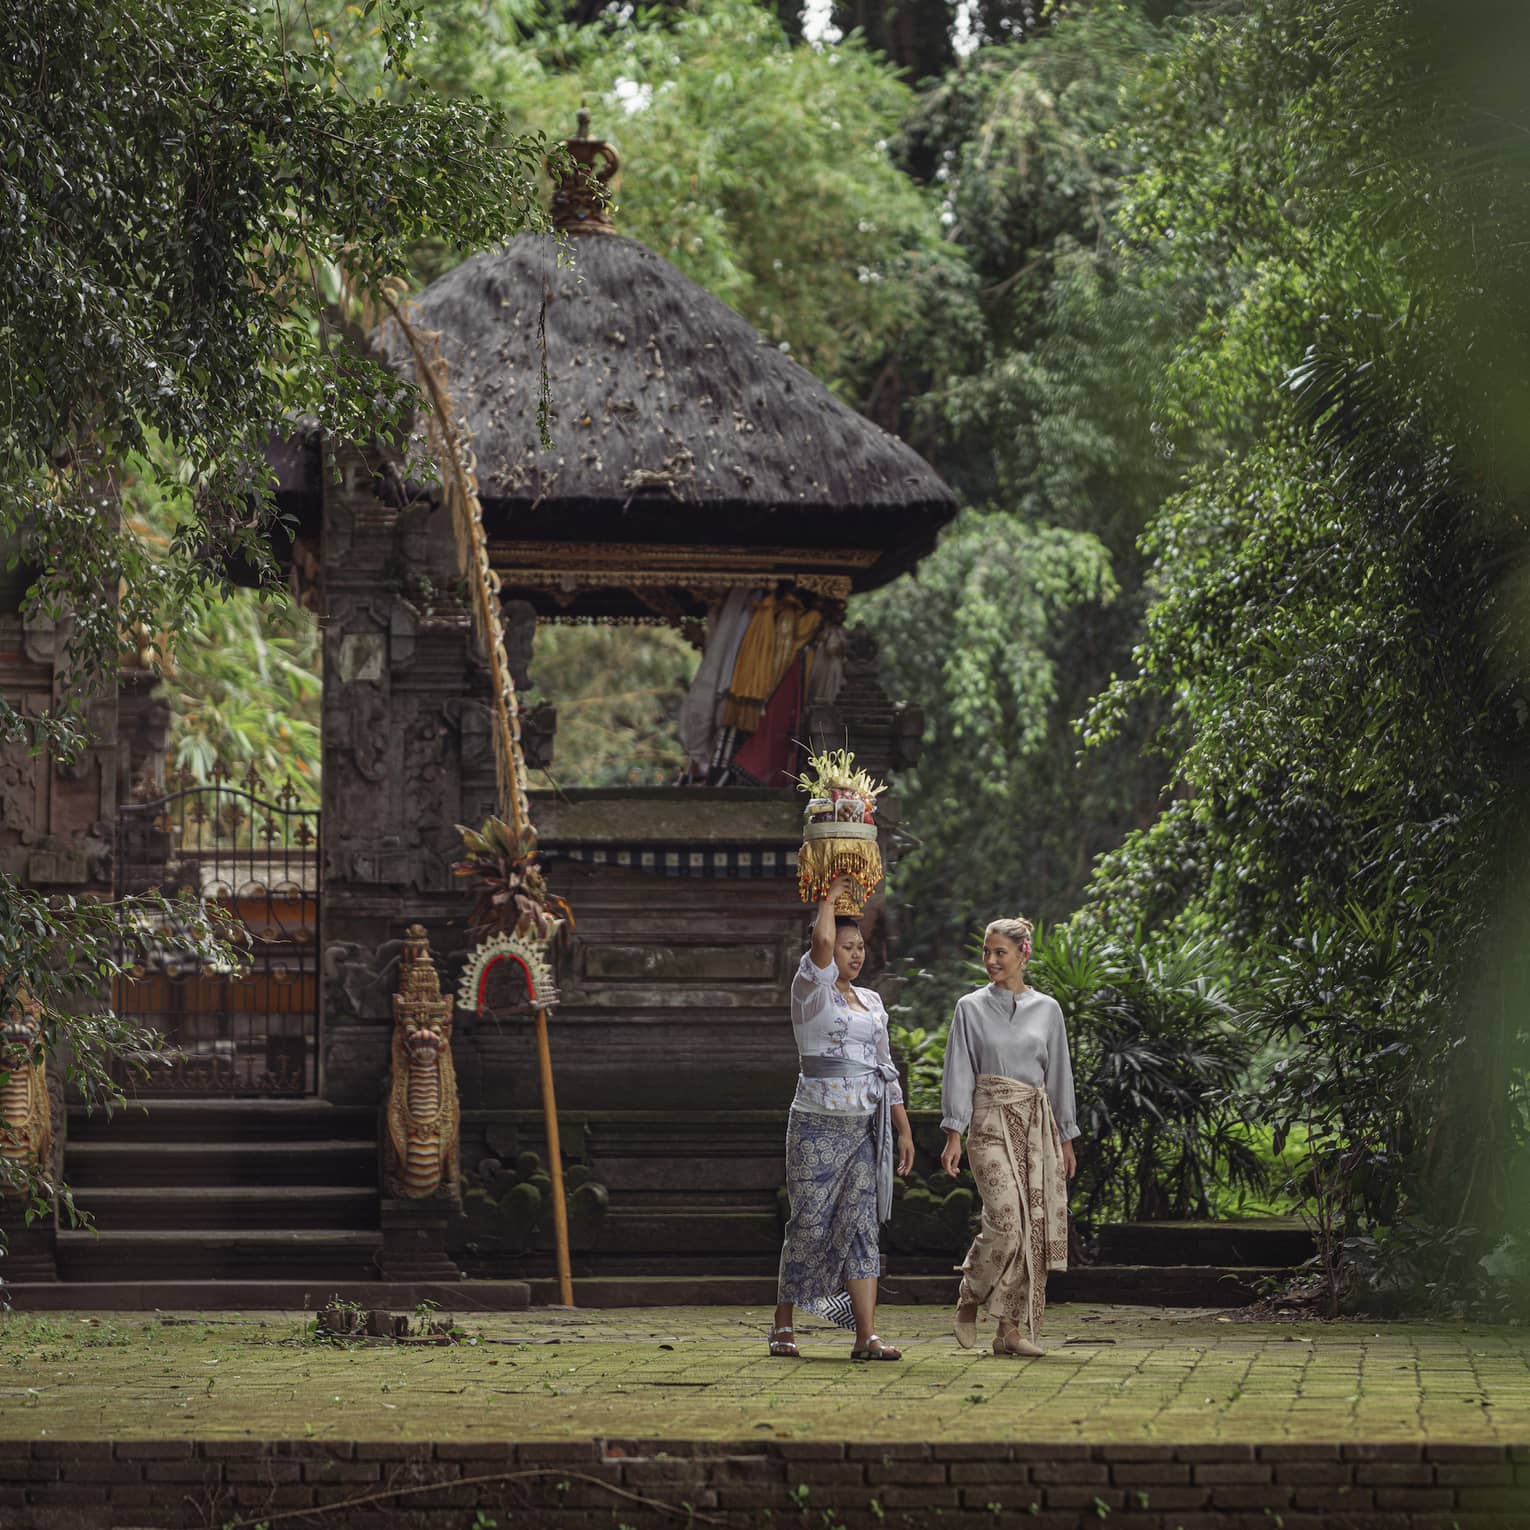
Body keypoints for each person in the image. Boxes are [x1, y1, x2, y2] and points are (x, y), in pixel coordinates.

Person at [770, 873, 915, 1360]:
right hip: (816, 1122)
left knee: (860, 1224)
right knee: (809, 1222)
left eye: (860, 947)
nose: (854, 954)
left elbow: (885, 1068)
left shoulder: (872, 1002)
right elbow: (823, 940)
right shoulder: (811, 992)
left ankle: (866, 1336)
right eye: (846, 945)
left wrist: (903, 1128)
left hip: (865, 1125)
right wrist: (831, 898)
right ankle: (783, 1321)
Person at [939, 915, 1079, 1357]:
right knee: (1005, 1220)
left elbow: (1059, 1077)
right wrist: (953, 1133)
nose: (991, 961)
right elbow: (959, 1070)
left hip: (1037, 1127)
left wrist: (1066, 1138)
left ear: (1024, 954)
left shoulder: (1048, 1010)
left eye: (1000, 952)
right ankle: (969, 1296)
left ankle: (1009, 1330)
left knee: (1031, 1227)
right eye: (987, 952)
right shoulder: (970, 1007)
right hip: (988, 1123)